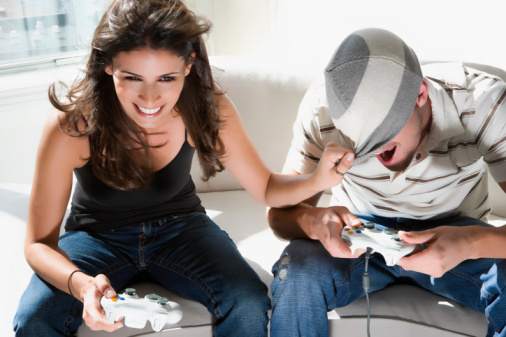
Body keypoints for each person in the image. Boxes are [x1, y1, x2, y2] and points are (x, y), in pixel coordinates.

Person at [12, 1, 347, 336]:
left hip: (181, 229)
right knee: (33, 319)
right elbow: (38, 244)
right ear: (108, 66)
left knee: (247, 300)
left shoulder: (205, 107)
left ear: (189, 65)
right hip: (95, 237)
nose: (150, 98)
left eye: (166, 78)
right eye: (132, 77)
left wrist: (319, 179)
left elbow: (267, 188)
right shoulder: (73, 125)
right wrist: (81, 285)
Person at [268, 28, 506, 337]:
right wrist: (311, 220)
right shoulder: (321, 108)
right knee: (297, 272)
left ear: (420, 94)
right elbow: (278, 217)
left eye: (382, 131)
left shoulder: (484, 102)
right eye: (360, 141)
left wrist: (470, 242)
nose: (373, 151)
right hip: (359, 232)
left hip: (455, 228)